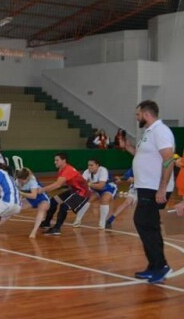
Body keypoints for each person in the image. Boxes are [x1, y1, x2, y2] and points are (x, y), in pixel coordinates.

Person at [120, 100, 175, 284]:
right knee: (148, 224)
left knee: (143, 222)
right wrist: (127, 147)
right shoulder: (149, 132)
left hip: (154, 188)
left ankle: (161, 266)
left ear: (146, 114)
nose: (137, 118)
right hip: (146, 186)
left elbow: (168, 159)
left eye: (138, 115)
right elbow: (143, 157)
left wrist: (162, 187)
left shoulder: (161, 131)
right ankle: (154, 266)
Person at [37, 152, 90, 236]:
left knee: (64, 206)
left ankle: (57, 228)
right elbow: (62, 185)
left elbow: (58, 184)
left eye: (57, 160)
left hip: (82, 193)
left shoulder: (67, 170)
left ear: (64, 161)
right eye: (55, 160)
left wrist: (42, 190)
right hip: (73, 190)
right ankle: (46, 222)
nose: (55, 162)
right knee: (53, 201)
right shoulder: (61, 169)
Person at [75, 158, 118, 229]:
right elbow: (82, 185)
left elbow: (101, 186)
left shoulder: (103, 170)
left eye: (92, 165)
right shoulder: (87, 172)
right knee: (87, 200)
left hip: (109, 188)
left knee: (104, 200)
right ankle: (77, 220)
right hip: (96, 188)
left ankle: (102, 223)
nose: (89, 167)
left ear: (97, 165)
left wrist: (88, 184)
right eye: (88, 165)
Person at [15, 167, 56, 239]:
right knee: (14, 208)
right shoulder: (17, 181)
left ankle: (34, 231)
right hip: (30, 199)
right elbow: (19, 194)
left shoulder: (32, 181)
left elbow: (34, 196)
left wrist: (21, 193)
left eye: (22, 180)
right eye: (19, 180)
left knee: (41, 210)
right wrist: (19, 199)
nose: (20, 181)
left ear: (26, 178)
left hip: (41, 198)